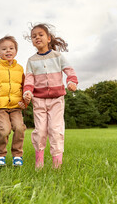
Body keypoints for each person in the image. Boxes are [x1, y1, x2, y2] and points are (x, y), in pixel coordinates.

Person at [23, 23, 78, 169]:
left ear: (48, 38)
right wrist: (27, 92)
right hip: (39, 101)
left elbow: (70, 71)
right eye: (34, 36)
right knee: (40, 131)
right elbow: (29, 79)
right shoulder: (31, 60)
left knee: (55, 130)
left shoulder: (58, 57)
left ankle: (57, 164)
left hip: (56, 100)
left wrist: (71, 82)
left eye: (40, 35)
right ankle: (39, 163)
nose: (37, 38)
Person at [0, 36, 27, 167]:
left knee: (20, 128)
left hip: (16, 107)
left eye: (11, 48)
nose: (8, 51)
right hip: (1, 107)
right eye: (4, 49)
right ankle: (0, 156)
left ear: (16, 51)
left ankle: (17, 156)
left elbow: (25, 87)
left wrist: (24, 102)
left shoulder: (20, 69)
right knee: (4, 130)